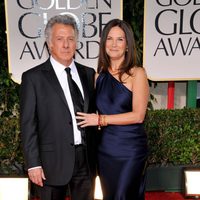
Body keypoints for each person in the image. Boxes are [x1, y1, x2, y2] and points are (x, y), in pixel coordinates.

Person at [20, 14, 97, 200]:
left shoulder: (88, 73)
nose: (66, 44)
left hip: (86, 161)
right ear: (49, 44)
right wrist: (33, 164)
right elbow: (28, 124)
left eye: (71, 39)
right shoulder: (33, 78)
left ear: (76, 42)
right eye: (60, 39)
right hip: (50, 164)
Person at [76, 19, 149, 200]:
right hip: (106, 149)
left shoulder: (137, 74)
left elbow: (138, 116)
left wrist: (101, 120)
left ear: (127, 45)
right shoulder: (98, 77)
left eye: (120, 39)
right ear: (104, 44)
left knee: (123, 195)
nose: (114, 44)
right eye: (109, 39)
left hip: (131, 149)